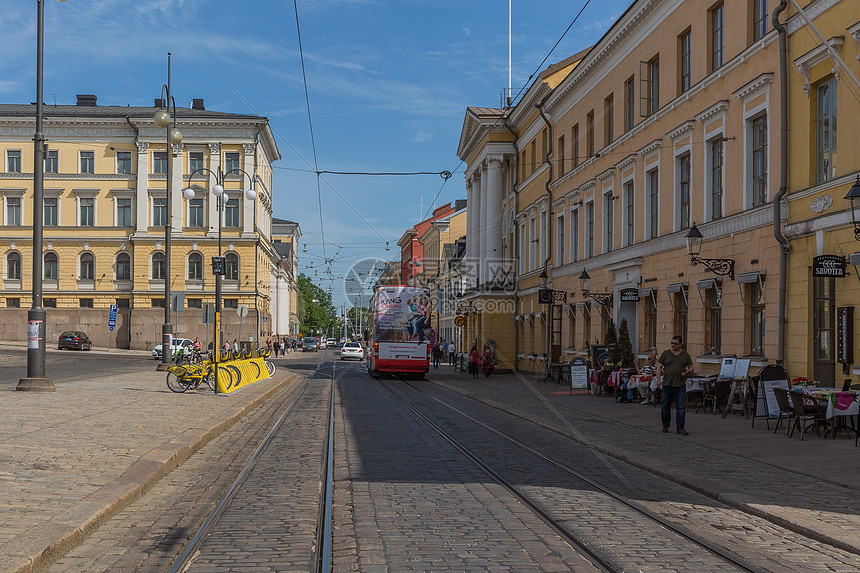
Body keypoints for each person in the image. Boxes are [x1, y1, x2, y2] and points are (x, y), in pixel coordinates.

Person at [656, 335, 694, 435]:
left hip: (680, 385)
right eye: (672, 343)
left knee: (681, 408)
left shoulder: (685, 355)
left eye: (675, 344)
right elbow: (659, 367)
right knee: (665, 407)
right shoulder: (666, 354)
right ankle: (665, 425)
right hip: (667, 384)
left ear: (680, 344)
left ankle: (680, 428)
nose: (673, 345)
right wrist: (659, 380)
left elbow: (691, 368)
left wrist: (687, 372)